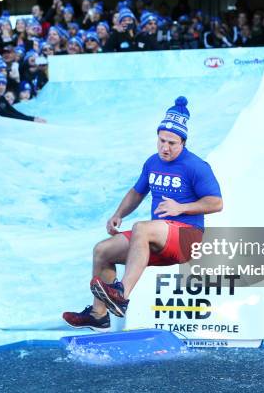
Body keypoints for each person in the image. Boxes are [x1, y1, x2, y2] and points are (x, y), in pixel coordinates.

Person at [63, 97, 223, 331]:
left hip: (189, 238)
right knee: (102, 250)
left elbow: (216, 202)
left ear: (183, 142)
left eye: (172, 143)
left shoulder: (196, 166)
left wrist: (181, 207)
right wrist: (118, 214)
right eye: (161, 141)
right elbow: (137, 192)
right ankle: (99, 315)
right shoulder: (152, 162)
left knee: (142, 228)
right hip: (158, 239)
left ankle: (122, 294)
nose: (165, 147)